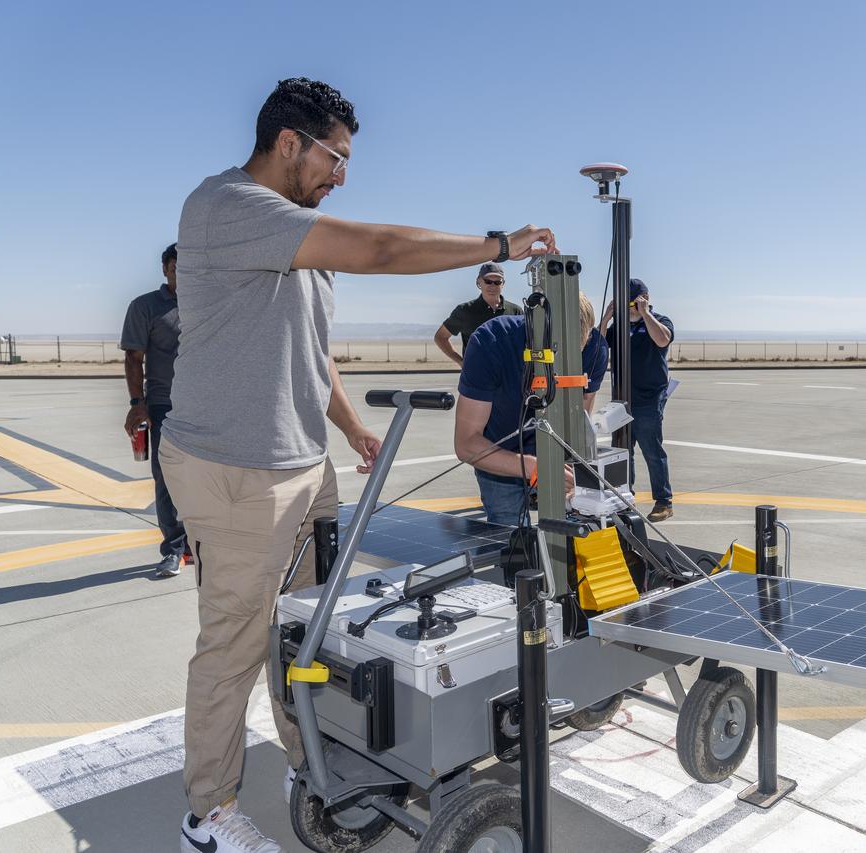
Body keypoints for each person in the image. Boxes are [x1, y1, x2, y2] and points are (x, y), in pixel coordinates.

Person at [159, 77, 557, 853]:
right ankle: (207, 815)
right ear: (288, 144)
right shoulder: (229, 208)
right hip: (235, 468)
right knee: (236, 639)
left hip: (302, 463)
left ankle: (313, 760)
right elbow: (380, 247)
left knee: (312, 631)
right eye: (335, 158)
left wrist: (349, 428)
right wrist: (497, 246)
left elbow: (310, 352)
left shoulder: (297, 233)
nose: (342, 174)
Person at [454, 294, 608, 524]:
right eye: (555, 354)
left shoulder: (595, 348)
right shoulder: (492, 341)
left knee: (566, 543)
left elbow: (580, 418)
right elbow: (466, 444)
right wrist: (534, 467)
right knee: (511, 543)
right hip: (501, 462)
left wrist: (576, 473)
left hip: (559, 465)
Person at [119, 243, 188, 578]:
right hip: (164, 408)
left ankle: (201, 545)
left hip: (207, 406)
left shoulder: (210, 304)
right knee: (166, 479)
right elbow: (134, 358)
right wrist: (137, 405)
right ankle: (174, 550)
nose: (182, 273)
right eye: (176, 267)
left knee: (211, 478)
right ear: (165, 269)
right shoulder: (145, 306)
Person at [599, 277, 675, 522]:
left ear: (645, 299)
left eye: (634, 302)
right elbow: (598, 345)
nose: (630, 308)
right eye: (626, 303)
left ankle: (664, 501)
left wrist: (645, 314)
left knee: (652, 449)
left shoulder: (659, 321)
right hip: (622, 398)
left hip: (649, 398)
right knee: (621, 450)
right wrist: (607, 317)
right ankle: (624, 497)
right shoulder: (619, 325)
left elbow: (663, 339)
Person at [433, 261, 522, 366]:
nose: (492, 286)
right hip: (476, 377)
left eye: (497, 282)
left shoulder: (515, 311)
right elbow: (440, 337)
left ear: (503, 284)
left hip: (509, 376)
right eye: (488, 281)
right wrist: (461, 362)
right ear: (479, 282)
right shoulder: (465, 310)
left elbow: (525, 342)